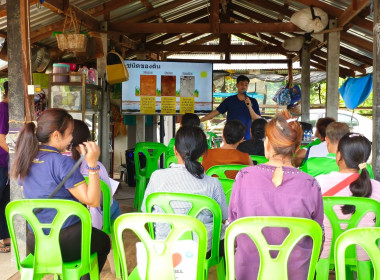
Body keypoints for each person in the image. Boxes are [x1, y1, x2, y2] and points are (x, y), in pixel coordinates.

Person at [10, 108, 110, 279]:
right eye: (70, 133)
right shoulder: (63, 162)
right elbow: (92, 201)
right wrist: (92, 164)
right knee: (104, 242)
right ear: (56, 135)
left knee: (85, 245)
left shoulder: (26, 159)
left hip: (36, 242)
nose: (72, 138)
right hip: (68, 242)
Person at [228, 110, 324, 280]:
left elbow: (233, 226)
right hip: (295, 272)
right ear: (297, 148)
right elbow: (318, 236)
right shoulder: (310, 184)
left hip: (249, 270)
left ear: (267, 145)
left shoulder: (244, 177)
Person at [141, 126, 228, 253]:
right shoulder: (213, 183)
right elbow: (223, 218)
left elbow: (146, 213)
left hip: (164, 245)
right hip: (202, 249)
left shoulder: (156, 177)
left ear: (175, 150)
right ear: (204, 152)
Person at [316, 133, 380, 261]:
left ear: (339, 155)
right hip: (366, 256)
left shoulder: (319, 183)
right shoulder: (377, 187)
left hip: (326, 253)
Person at [71, 119, 121, 230]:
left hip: (64, 218)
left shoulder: (57, 162)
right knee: (114, 205)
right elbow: (105, 199)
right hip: (92, 221)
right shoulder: (95, 165)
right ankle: (116, 240)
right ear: (86, 142)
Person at [200, 75, 261, 140]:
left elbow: (258, 118)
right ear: (237, 85)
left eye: (246, 85)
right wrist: (200, 120)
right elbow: (216, 112)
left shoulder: (253, 101)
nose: (244, 87)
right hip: (231, 137)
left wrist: (249, 107)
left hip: (246, 136)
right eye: (241, 84)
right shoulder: (229, 100)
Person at [0, 81, 9, 252]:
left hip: (6, 163)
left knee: (5, 201)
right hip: (1, 162)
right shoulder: (3, 109)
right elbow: (1, 138)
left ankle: (5, 237)